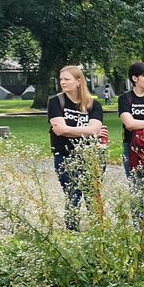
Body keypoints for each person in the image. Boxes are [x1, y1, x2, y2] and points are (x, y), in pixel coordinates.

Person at [47, 65, 106, 230]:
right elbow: (59, 129)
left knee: (92, 195)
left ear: (78, 81)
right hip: (64, 155)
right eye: (61, 80)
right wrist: (88, 131)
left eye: (67, 79)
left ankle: (98, 231)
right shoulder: (56, 102)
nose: (63, 83)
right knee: (73, 194)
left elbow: (94, 129)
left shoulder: (93, 105)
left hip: (90, 155)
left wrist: (68, 130)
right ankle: (73, 232)